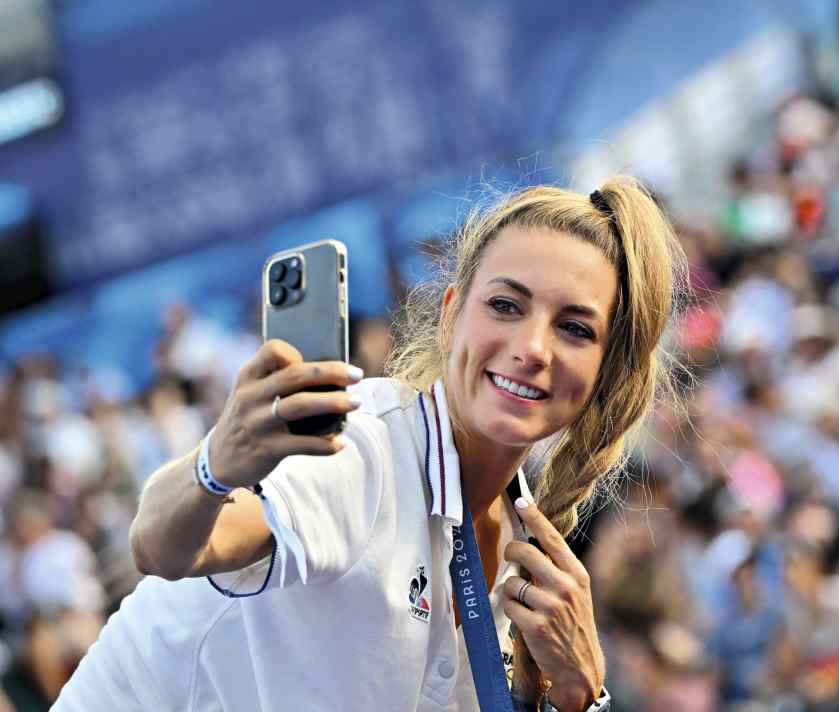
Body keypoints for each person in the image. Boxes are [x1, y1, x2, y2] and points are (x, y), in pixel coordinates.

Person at [52, 176, 690, 711]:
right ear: (448, 316)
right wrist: (217, 466)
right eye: (505, 305)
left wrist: (581, 695)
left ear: (603, 371)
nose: (531, 347)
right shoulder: (364, 451)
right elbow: (163, 545)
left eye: (574, 328)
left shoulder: (528, 548)